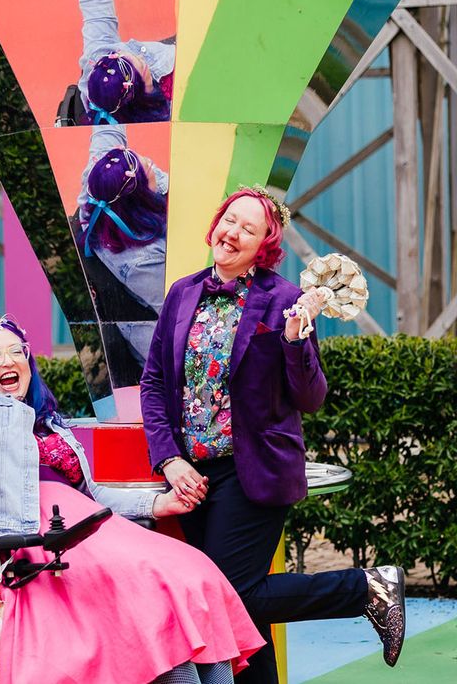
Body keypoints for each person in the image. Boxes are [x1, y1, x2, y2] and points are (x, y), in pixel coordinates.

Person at [0, 256, 264, 684]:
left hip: (89, 530)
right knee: (151, 594)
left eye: (16, 351)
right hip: (26, 541)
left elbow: (93, 496)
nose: (8, 360)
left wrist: (158, 502)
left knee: (192, 575)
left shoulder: (50, 423)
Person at [139, 186, 406, 683]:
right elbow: (154, 382)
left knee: (228, 594)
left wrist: (293, 342)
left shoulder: (284, 299)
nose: (233, 232)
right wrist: (169, 459)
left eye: (248, 229)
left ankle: (366, 589)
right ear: (216, 223)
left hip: (253, 473)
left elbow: (310, 397)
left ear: (264, 246)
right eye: (229, 220)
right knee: (240, 616)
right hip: (191, 477)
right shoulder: (182, 292)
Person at [78, 125, 167, 362]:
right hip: (159, 343)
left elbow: (107, 128)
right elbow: (176, 311)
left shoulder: (99, 180)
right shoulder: (145, 260)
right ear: (141, 200)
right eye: (150, 171)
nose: (149, 161)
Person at [77, 0, 174, 124]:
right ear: (141, 95)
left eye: (126, 55)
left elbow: (96, 6)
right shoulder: (159, 123)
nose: (140, 56)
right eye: (142, 66)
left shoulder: (99, 53)